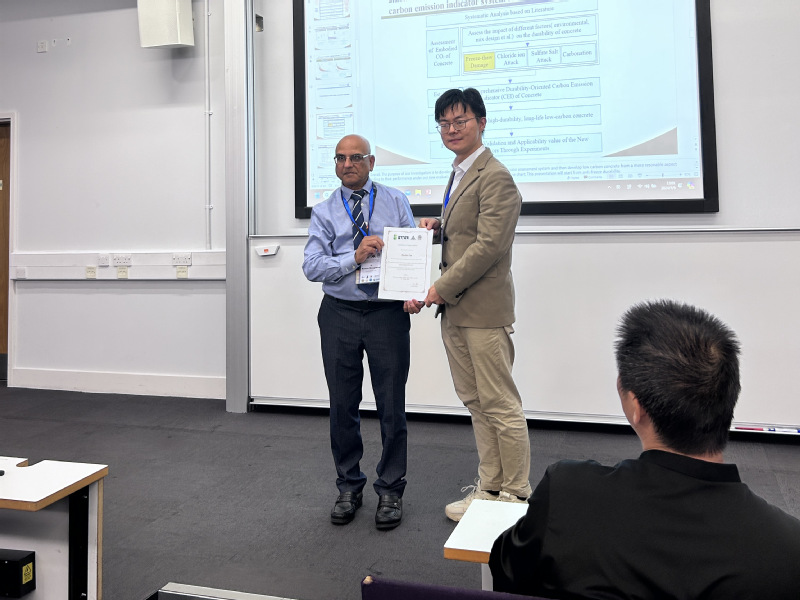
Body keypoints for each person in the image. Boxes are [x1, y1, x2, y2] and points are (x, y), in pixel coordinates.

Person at [489, 299, 800, 599]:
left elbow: (506, 571)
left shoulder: (567, 495)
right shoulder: (787, 548)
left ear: (636, 407)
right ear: (728, 398)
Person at [404, 88, 531, 521]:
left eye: (461, 121)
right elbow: (468, 231)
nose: (452, 129)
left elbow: (488, 247)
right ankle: (491, 487)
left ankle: (516, 494)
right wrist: (439, 227)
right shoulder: (460, 171)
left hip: (482, 311)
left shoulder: (495, 176)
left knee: (500, 404)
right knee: (476, 402)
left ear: (482, 122)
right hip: (457, 310)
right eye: (444, 123)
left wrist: (438, 288)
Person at [303, 134, 414, 530]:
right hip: (340, 313)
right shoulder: (323, 211)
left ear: (371, 162)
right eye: (340, 158)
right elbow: (312, 266)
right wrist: (353, 257)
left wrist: (413, 291)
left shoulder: (396, 201)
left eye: (355, 157)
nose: (347, 164)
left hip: (386, 314)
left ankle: (391, 490)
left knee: (391, 405)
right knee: (342, 406)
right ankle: (349, 486)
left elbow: (411, 252)